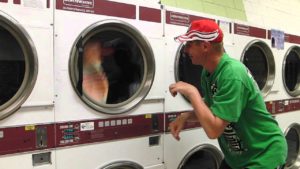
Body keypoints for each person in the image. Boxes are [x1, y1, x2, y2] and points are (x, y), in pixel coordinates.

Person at [169, 19, 287, 169]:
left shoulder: (232, 75)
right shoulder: (208, 72)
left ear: (205, 46)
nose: (185, 50)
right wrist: (185, 117)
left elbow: (214, 130)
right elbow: (211, 105)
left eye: (189, 45)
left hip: (264, 155)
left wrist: (192, 93)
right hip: (238, 158)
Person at [82, 38, 109, 104]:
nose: (98, 52)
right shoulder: (85, 72)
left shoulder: (96, 66)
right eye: (94, 50)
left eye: (98, 50)